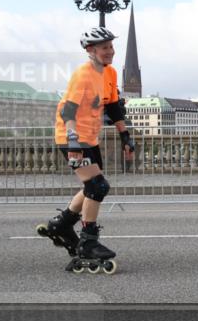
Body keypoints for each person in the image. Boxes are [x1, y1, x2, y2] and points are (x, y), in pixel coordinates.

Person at [40, 26, 135, 273]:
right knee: (98, 186)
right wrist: (73, 143)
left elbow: (113, 107)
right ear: (90, 50)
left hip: (90, 139)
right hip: (71, 139)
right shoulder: (83, 75)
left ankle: (61, 225)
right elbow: (67, 111)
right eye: (105, 47)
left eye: (111, 46)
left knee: (91, 187)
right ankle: (88, 242)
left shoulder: (111, 73)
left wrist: (125, 135)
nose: (110, 51)